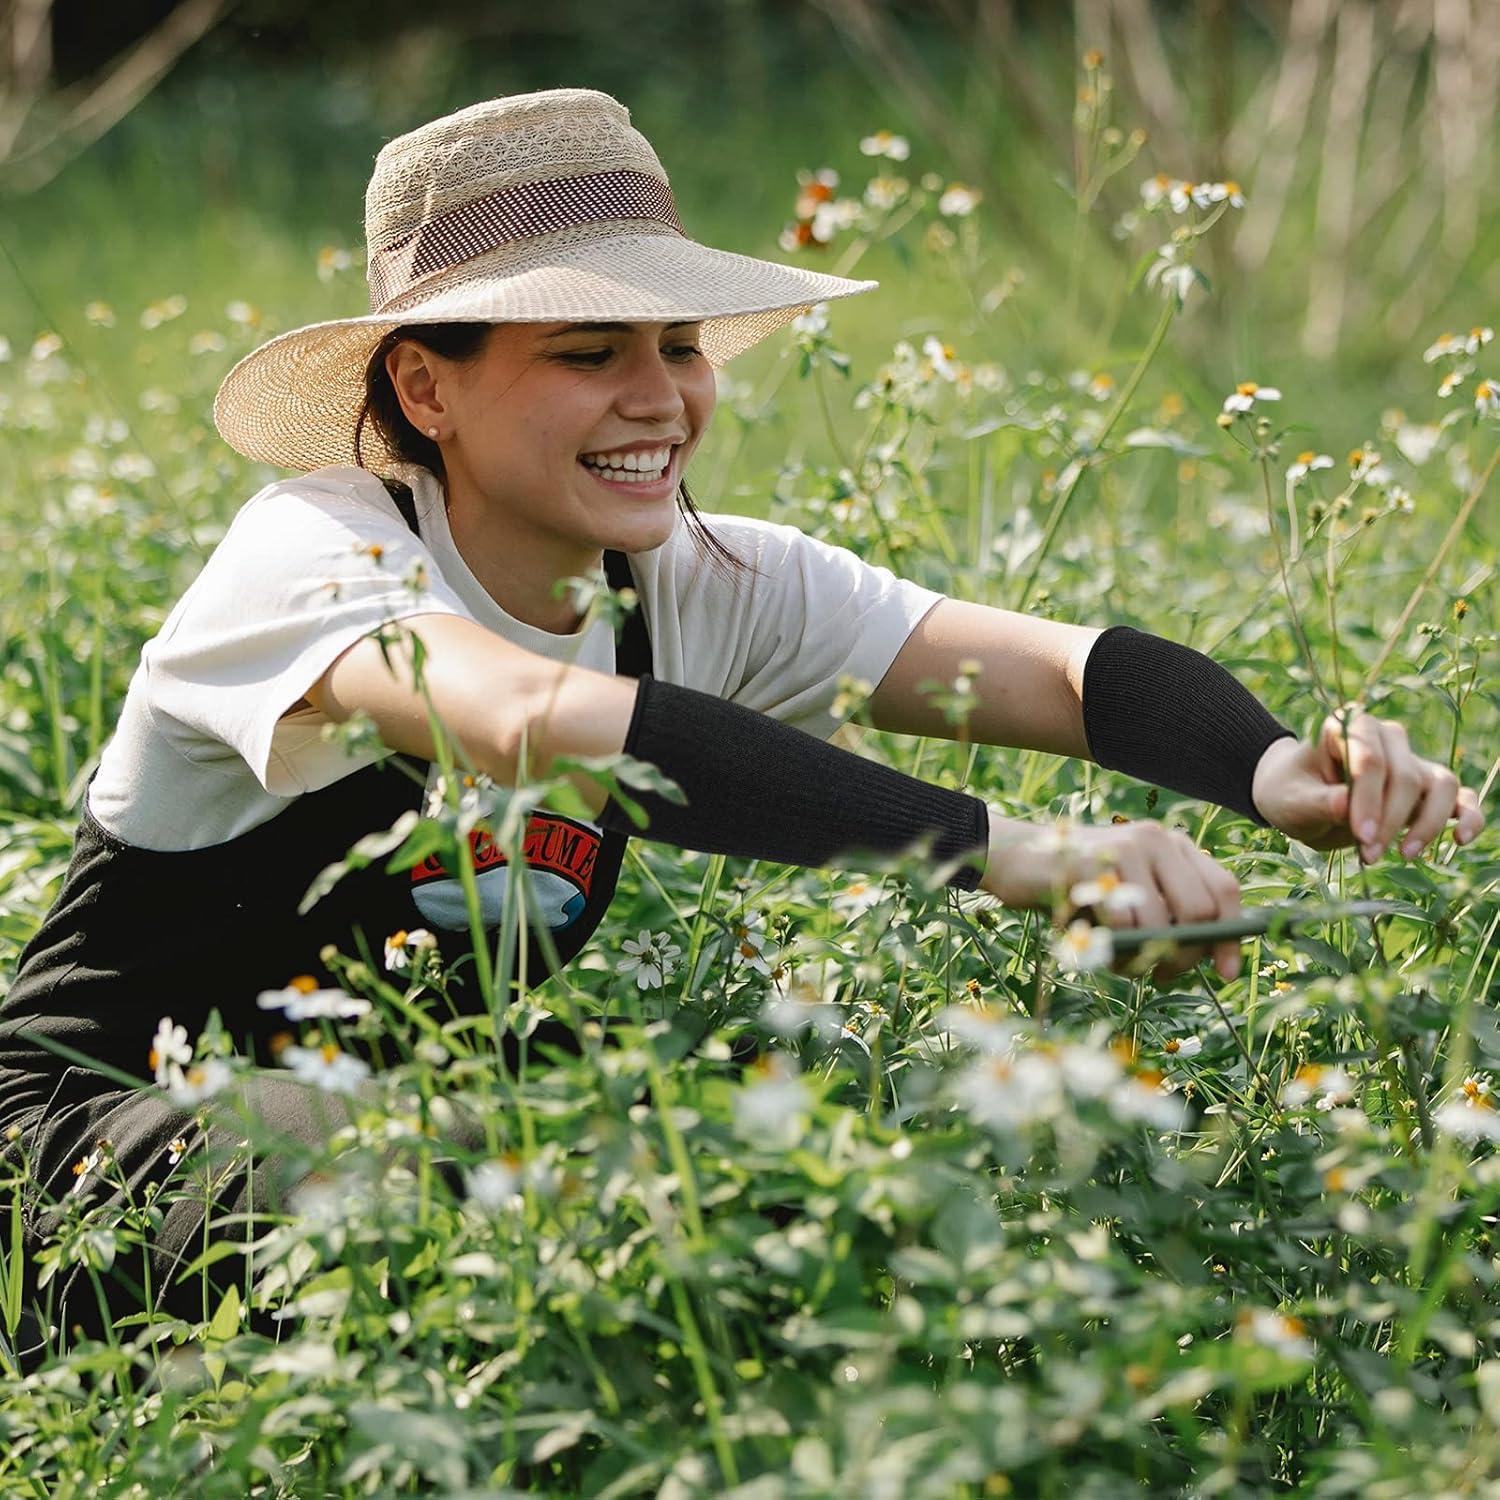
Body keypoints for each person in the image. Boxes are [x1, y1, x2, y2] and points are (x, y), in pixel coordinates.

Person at [0, 87, 1483, 1358]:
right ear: (422, 386)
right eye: (588, 353)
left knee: (721, 1207)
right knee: (442, 1177)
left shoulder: (684, 578)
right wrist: (1010, 853)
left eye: (682, 345)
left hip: (392, 1164)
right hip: (79, 1152)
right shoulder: (312, 552)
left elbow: (1057, 668)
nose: (662, 398)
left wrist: (1279, 765)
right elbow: (529, 716)